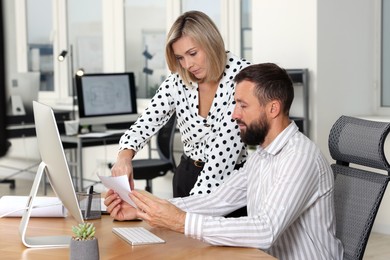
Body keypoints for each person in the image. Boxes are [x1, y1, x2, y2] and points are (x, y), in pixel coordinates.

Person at [105, 63, 344, 260]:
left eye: (243, 105)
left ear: (273, 108)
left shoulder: (299, 157)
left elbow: (265, 229)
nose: (234, 114)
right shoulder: (262, 155)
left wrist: (181, 222)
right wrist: (142, 209)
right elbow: (217, 200)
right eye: (234, 104)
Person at [112, 10, 251, 199]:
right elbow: (146, 122)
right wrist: (124, 157)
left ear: (211, 43)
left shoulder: (243, 77)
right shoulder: (179, 80)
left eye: (192, 53)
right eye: (180, 58)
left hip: (229, 182)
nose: (187, 64)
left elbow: (222, 158)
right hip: (186, 175)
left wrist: (175, 212)